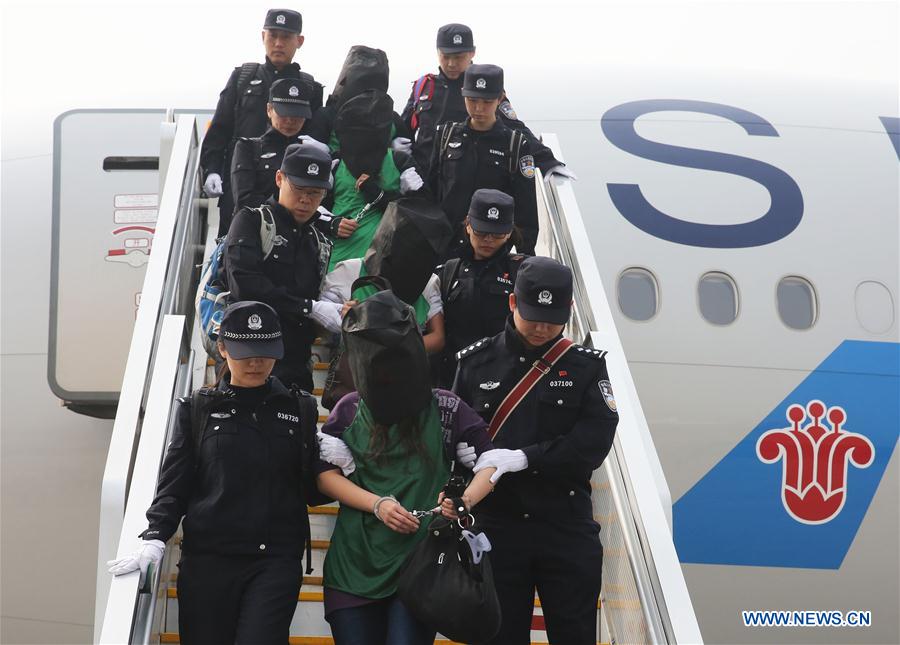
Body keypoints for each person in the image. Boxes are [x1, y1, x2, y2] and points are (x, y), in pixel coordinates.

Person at [108, 301, 321, 644]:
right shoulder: (198, 409)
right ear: (222, 348)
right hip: (209, 559)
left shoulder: (300, 408)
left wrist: (334, 461)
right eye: (246, 352)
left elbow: (312, 490)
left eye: (265, 352)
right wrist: (155, 536)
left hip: (275, 558)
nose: (256, 362)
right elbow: (176, 481)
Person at [314, 289, 497, 645]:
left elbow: (490, 463)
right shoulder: (349, 409)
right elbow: (323, 475)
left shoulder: (445, 406)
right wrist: (377, 504)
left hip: (421, 564)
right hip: (354, 562)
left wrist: (464, 502)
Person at [452, 256, 619, 645]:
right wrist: (458, 454)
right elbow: (451, 424)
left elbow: (593, 440)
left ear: (570, 311)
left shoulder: (585, 367)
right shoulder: (475, 362)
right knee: (499, 635)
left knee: (575, 632)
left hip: (564, 521)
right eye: (533, 315)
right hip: (498, 525)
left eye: (553, 317)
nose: (542, 327)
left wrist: (526, 457)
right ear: (512, 303)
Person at [224, 143, 341, 392]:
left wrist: (331, 306)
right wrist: (309, 307)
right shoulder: (252, 221)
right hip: (249, 355)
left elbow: (313, 302)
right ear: (279, 178)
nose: (305, 199)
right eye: (298, 188)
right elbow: (244, 284)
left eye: (315, 192)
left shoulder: (317, 240)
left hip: (297, 362)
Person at [200, 8, 324, 236]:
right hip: (240, 181)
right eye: (272, 36)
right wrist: (212, 170)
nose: (278, 43)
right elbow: (220, 128)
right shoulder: (243, 77)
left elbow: (315, 137)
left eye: (286, 37)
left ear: (300, 41)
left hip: (291, 188)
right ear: (262, 37)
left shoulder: (310, 88)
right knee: (235, 242)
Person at [401, 23, 570, 179]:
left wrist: (546, 160)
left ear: (472, 53)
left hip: (460, 182)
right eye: (445, 56)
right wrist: (395, 145)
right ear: (437, 52)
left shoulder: (485, 88)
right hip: (421, 181)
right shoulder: (424, 86)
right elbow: (405, 128)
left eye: (459, 57)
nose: (451, 64)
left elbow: (515, 127)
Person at [428, 64, 539, 258]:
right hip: (446, 249)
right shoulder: (446, 135)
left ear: (500, 99)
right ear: (463, 96)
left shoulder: (515, 144)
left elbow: (527, 210)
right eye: (472, 100)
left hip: (492, 251)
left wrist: (525, 257)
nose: (479, 108)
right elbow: (431, 192)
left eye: (487, 101)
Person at [320, 90, 427, 270]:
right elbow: (309, 208)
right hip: (336, 265)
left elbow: (423, 214)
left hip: (383, 268)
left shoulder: (400, 162)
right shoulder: (335, 163)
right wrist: (331, 223)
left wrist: (379, 197)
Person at [436, 188, 527, 386]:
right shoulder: (449, 271)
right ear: (468, 225)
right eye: (481, 231)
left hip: (505, 378)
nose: (488, 240)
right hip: (454, 378)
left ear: (509, 232)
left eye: (497, 234)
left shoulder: (523, 271)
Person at [230, 77, 327, 214]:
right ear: (269, 110)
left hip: (299, 230)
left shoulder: (313, 150)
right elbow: (244, 200)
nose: (290, 121)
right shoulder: (249, 148)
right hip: (257, 226)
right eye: (284, 113)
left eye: (297, 115)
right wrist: (292, 211)